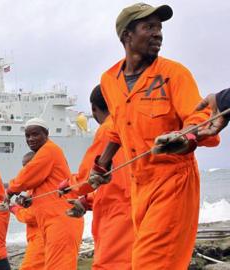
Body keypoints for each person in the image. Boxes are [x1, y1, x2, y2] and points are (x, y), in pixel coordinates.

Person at [91, 3, 220, 269]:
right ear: (127, 35)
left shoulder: (174, 74)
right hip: (140, 185)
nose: (158, 34)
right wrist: (102, 164)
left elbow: (198, 117)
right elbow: (118, 126)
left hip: (173, 182)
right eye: (149, 27)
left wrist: (185, 141)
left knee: (150, 262)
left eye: (159, 28)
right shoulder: (109, 80)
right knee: (148, 259)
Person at [66, 85, 134, 269]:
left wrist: (68, 185)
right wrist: (87, 201)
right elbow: (120, 180)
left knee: (108, 265)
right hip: (135, 208)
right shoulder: (131, 125)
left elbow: (87, 178)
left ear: (94, 109)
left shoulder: (107, 129)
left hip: (118, 214)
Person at [7, 118, 84, 270]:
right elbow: (37, 181)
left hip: (61, 221)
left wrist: (10, 193)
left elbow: (27, 176)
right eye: (27, 136)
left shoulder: (49, 150)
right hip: (53, 223)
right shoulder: (48, 153)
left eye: (35, 134)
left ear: (47, 134)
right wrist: (28, 198)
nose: (30, 139)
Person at [9, 151, 45, 270]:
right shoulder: (35, 186)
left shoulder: (42, 187)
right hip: (39, 236)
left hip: (42, 238)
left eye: (27, 167)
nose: (24, 172)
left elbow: (31, 217)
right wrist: (25, 203)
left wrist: (13, 208)